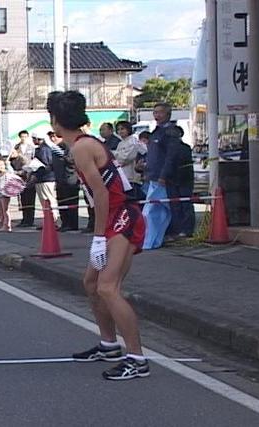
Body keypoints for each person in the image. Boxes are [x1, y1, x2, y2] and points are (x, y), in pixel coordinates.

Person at [47, 90, 149, 380]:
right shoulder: (82, 143)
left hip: (122, 214)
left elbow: (102, 194)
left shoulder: (81, 147)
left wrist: (99, 237)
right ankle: (108, 343)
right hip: (116, 213)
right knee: (91, 282)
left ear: (55, 120)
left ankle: (137, 359)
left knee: (107, 287)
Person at [143, 103, 180, 249]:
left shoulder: (170, 132)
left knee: (155, 211)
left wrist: (163, 176)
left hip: (163, 178)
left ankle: (152, 240)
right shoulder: (156, 132)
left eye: (160, 112)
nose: (156, 115)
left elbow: (171, 157)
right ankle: (153, 240)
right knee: (154, 211)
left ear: (168, 114)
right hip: (152, 176)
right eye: (155, 112)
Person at [166, 126, 195, 238]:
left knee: (184, 204)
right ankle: (180, 229)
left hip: (183, 179)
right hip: (176, 179)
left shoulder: (183, 148)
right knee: (176, 205)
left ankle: (186, 230)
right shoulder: (183, 148)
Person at [49, 131, 79, 231]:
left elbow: (72, 160)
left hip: (70, 179)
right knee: (61, 202)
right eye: (51, 137)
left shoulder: (70, 146)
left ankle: (72, 224)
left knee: (71, 203)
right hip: (59, 179)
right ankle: (65, 223)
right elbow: (53, 165)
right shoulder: (54, 149)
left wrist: (62, 155)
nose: (53, 139)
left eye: (55, 136)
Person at [31, 133, 61, 229]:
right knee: (45, 201)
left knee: (49, 200)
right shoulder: (41, 149)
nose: (33, 140)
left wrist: (36, 172)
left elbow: (46, 165)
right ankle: (49, 221)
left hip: (46, 178)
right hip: (42, 178)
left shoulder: (44, 149)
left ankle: (54, 220)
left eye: (34, 139)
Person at [114, 121, 145, 200]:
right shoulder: (120, 143)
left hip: (132, 176)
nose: (120, 131)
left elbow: (125, 158)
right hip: (123, 176)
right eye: (118, 129)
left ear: (128, 129)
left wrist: (115, 155)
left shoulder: (133, 141)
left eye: (122, 129)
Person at [13, 130, 37, 227]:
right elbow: (12, 161)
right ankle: (24, 218)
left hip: (29, 174)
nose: (23, 138)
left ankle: (30, 219)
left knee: (30, 197)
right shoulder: (16, 147)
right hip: (20, 174)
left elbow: (33, 160)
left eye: (25, 136)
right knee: (22, 198)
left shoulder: (32, 148)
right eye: (22, 136)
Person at [0, 159, 13, 232]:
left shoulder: (7, 174)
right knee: (0, 211)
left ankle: (7, 225)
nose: (0, 166)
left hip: (5, 194)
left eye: (2, 165)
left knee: (5, 210)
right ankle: (1, 224)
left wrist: (8, 164)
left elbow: (11, 173)